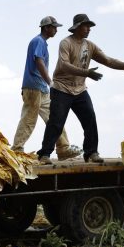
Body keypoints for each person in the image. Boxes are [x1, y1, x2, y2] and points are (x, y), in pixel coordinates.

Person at [36, 13, 124, 164]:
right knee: (56, 122)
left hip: (80, 90)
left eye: (90, 26)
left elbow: (108, 60)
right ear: (77, 27)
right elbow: (63, 65)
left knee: (90, 119)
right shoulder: (66, 43)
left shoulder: (90, 46)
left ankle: (91, 152)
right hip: (61, 88)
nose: (89, 29)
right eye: (86, 26)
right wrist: (86, 72)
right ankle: (45, 154)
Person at [11, 16, 82, 160]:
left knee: (55, 118)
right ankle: (17, 150)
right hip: (34, 88)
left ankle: (63, 149)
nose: (56, 30)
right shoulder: (38, 41)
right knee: (29, 119)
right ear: (46, 28)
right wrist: (50, 82)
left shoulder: (42, 42)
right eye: (54, 27)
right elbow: (38, 61)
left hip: (40, 89)